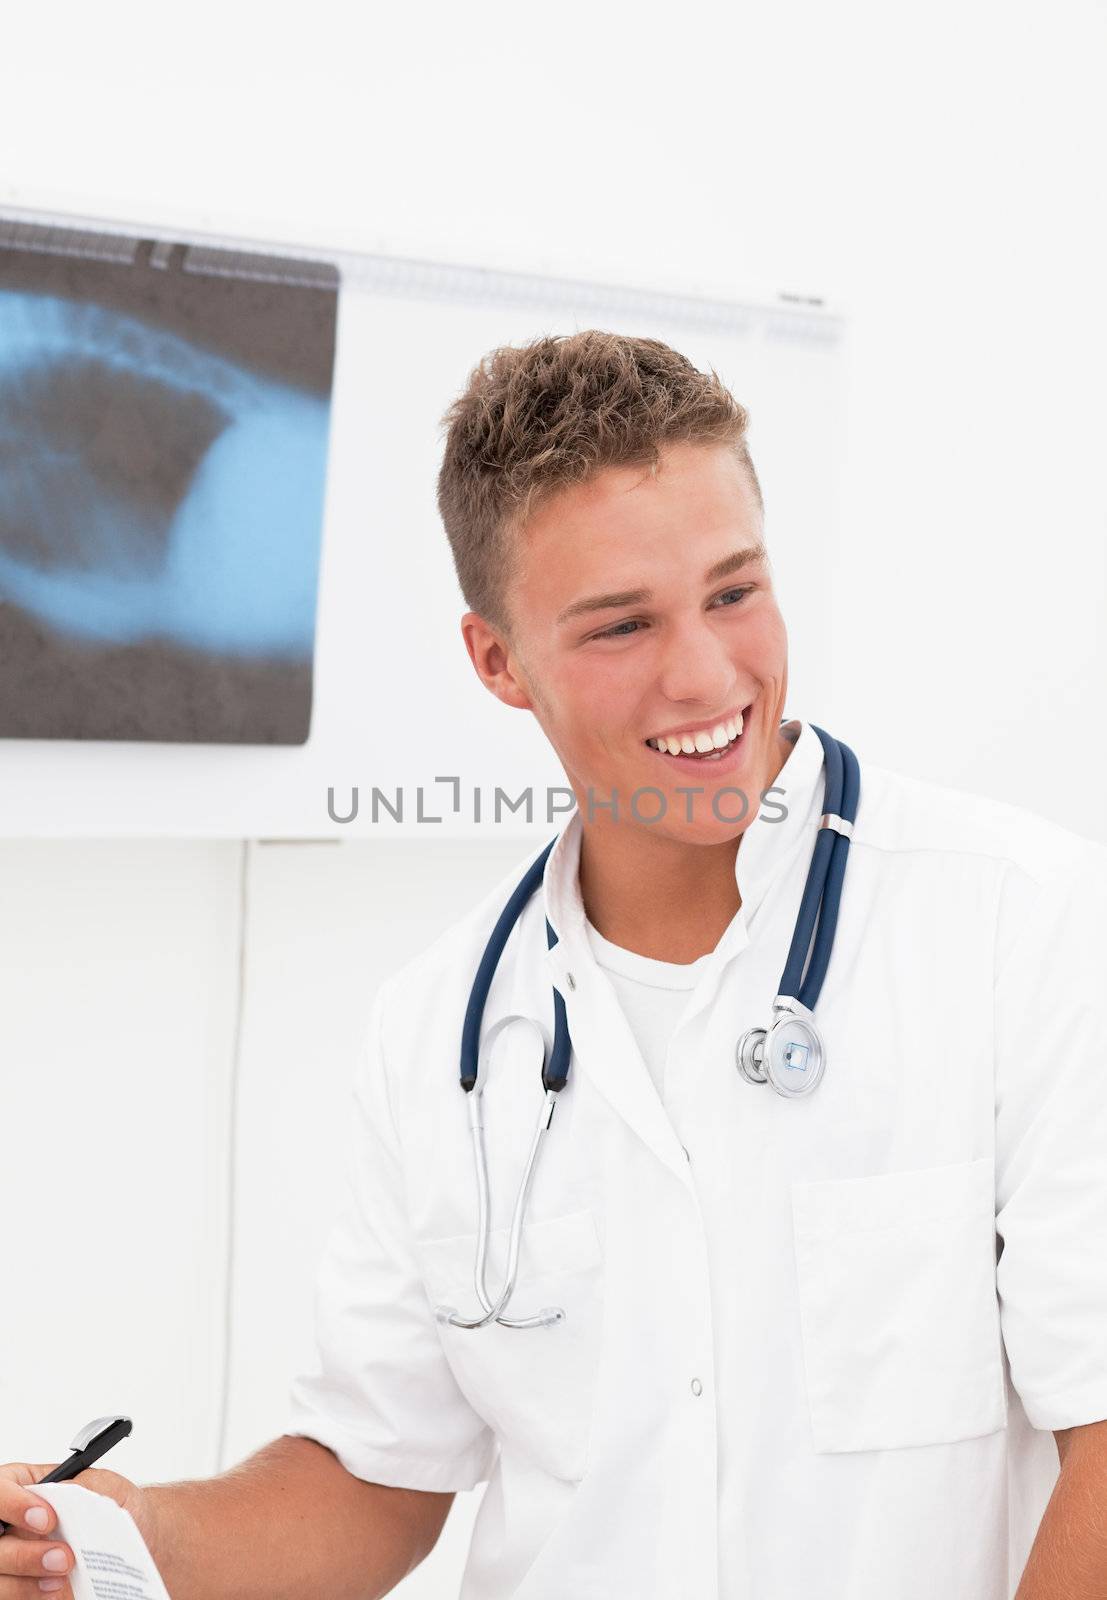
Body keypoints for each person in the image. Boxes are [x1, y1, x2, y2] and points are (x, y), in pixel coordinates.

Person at [3, 331, 1106, 1599]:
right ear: (497, 662)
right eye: (621, 625)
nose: (704, 672)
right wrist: (102, 1534)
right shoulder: (441, 1030)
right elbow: (370, 1481)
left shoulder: (1025, 925)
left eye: (733, 592)